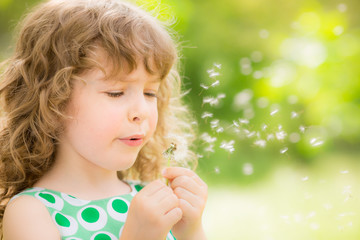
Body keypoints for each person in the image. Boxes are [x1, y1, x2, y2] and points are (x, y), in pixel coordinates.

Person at [0, 0, 207, 239]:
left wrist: (191, 230)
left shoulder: (150, 199)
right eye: (116, 92)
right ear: (53, 102)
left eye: (150, 93)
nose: (141, 110)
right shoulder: (31, 213)